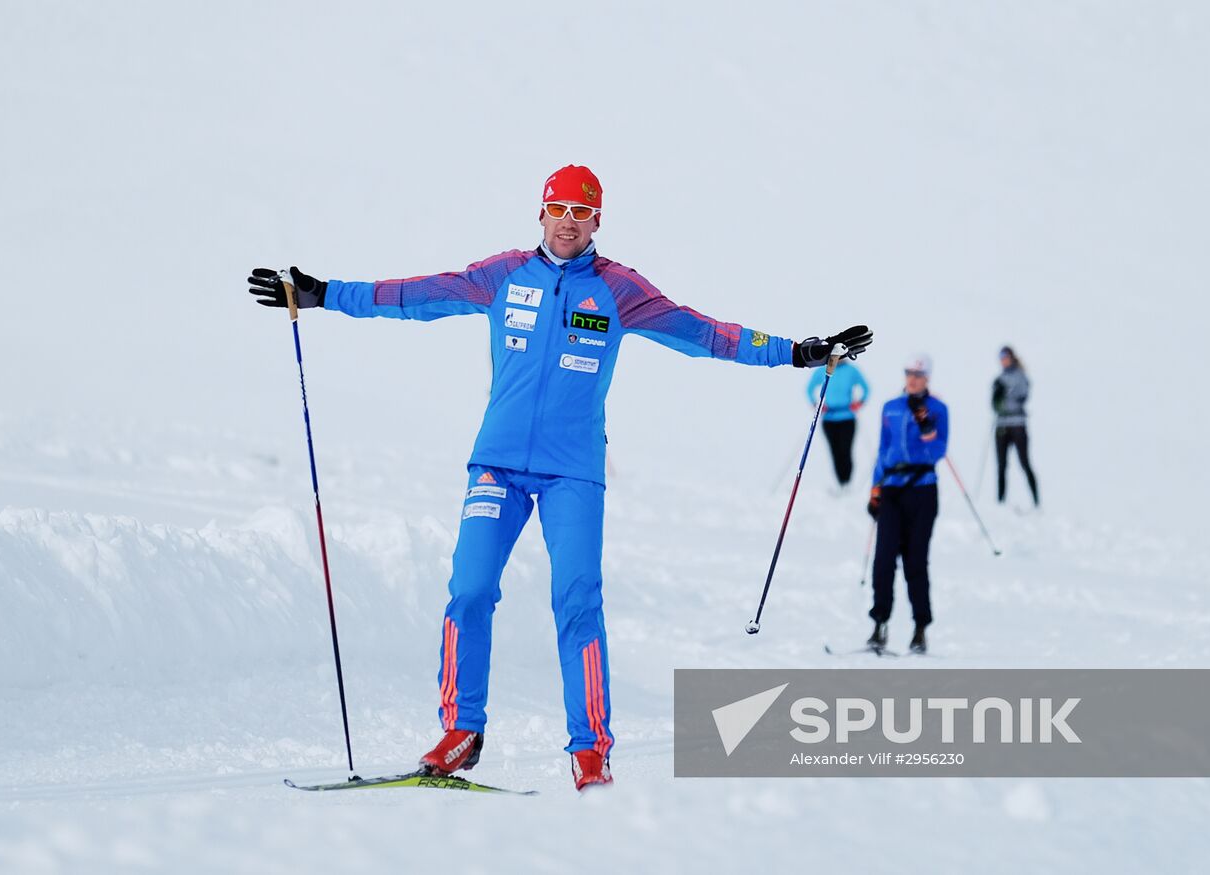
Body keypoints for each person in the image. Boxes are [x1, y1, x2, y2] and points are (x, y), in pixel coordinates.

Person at [247, 165, 873, 791]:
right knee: (468, 590)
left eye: (582, 211)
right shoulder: (503, 276)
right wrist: (323, 292)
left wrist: (799, 351)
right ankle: (461, 728)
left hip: (573, 473)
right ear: (540, 213)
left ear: (598, 220)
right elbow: (414, 295)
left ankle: (591, 747)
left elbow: (706, 334)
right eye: (558, 209)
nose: (569, 221)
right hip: (495, 464)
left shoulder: (619, 290)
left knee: (577, 599)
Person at [865, 354, 947, 654]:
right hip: (891, 490)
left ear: (927, 378)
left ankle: (920, 628)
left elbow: (938, 450)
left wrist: (926, 425)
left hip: (922, 491)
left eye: (918, 374)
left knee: (915, 561)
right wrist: (875, 489)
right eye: (908, 373)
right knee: (884, 559)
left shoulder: (938, 409)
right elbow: (883, 449)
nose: (912, 378)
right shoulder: (891, 407)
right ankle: (879, 624)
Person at [806, 359, 869, 488]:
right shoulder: (822, 370)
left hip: (847, 418)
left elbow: (866, 388)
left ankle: (847, 481)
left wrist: (860, 402)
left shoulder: (851, 370)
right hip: (829, 419)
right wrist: (816, 404)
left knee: (846, 450)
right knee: (835, 452)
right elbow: (809, 389)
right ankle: (841, 483)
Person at [992, 345, 1039, 507]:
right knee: (1001, 465)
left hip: (1017, 424)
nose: (1003, 361)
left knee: (1024, 462)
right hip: (1001, 426)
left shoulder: (1021, 376)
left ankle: (1036, 502)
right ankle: (1000, 502)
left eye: (1005, 357)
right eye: (1001, 358)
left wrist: (1007, 392)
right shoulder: (998, 379)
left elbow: (1022, 396)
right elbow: (994, 406)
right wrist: (997, 394)